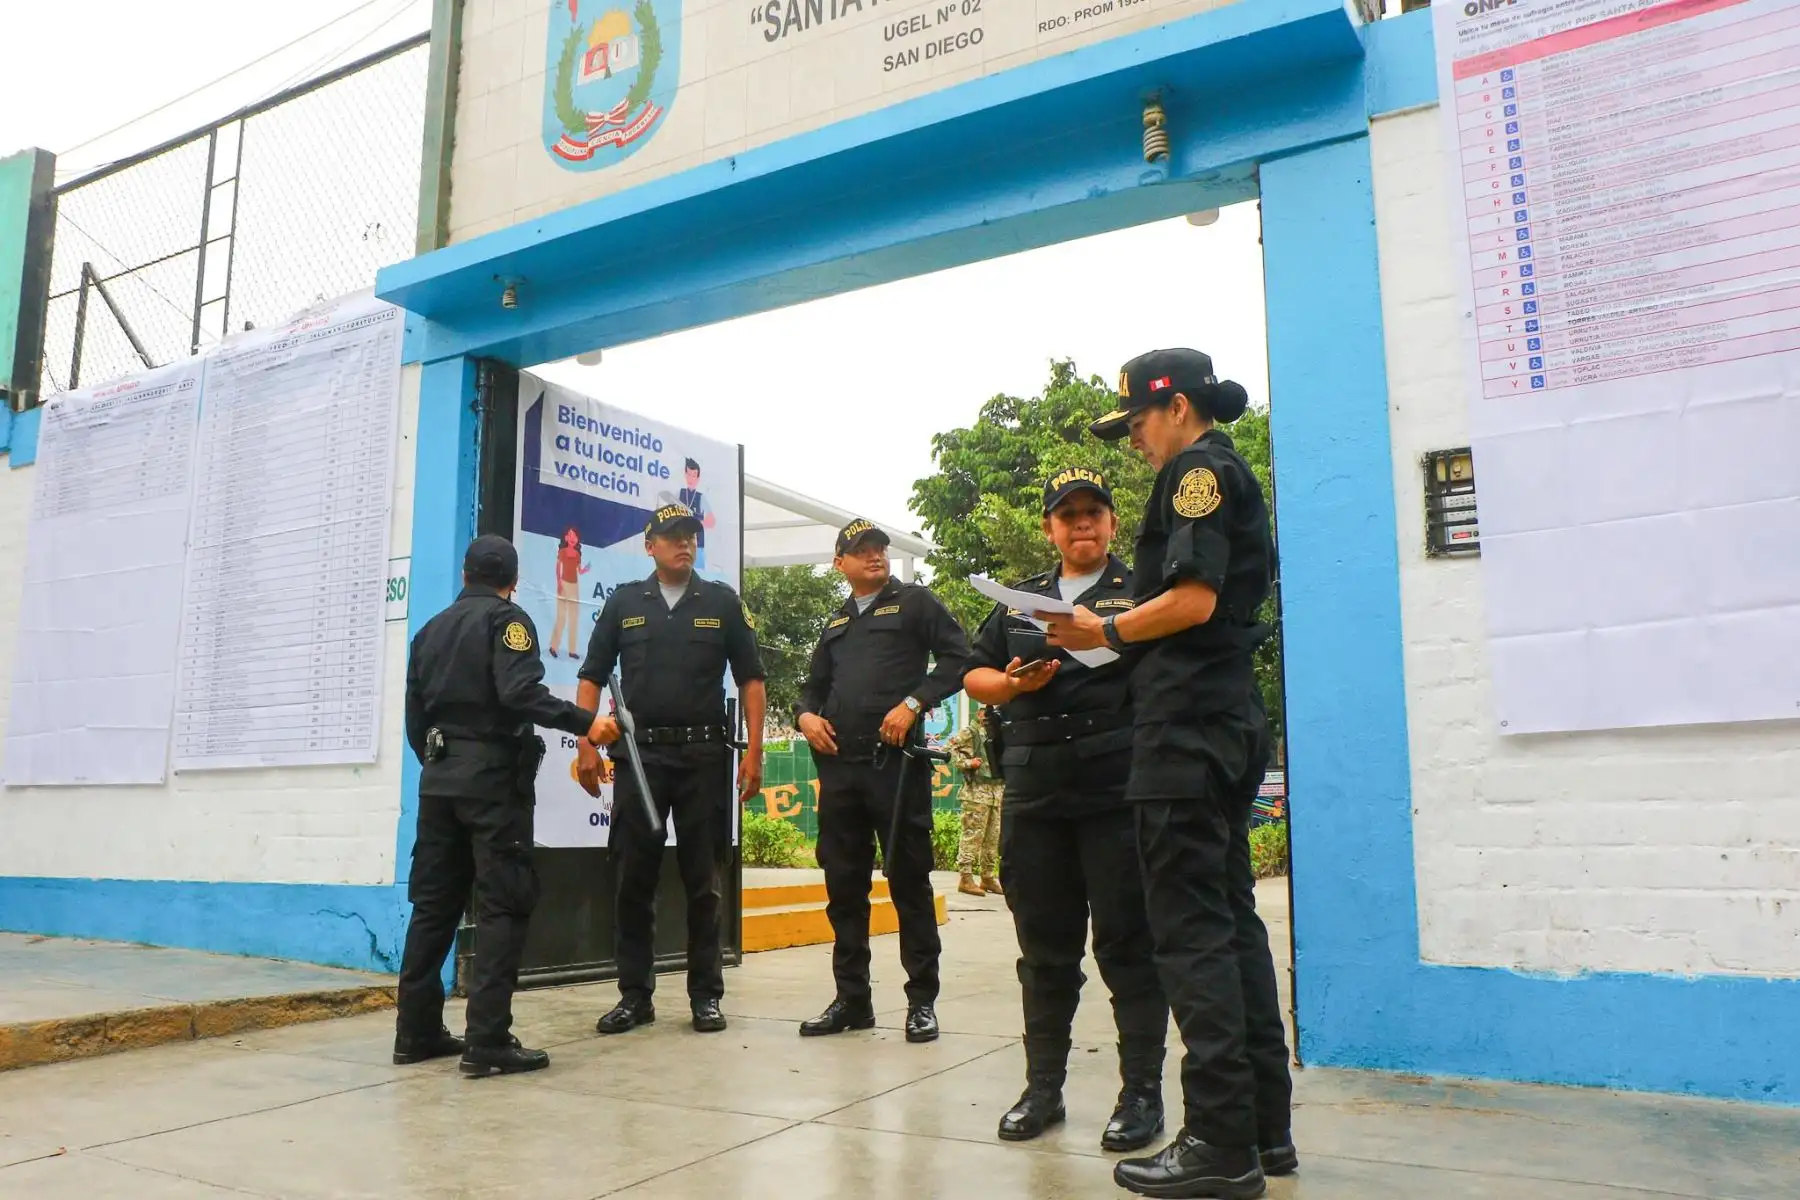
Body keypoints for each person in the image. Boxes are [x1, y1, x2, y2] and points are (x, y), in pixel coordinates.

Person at [1041, 350, 1295, 1199]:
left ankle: (1218, 1143)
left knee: (1189, 935)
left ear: (1177, 407)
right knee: (1230, 924)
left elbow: (1193, 601)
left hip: (1185, 730)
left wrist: (1103, 633)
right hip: (1221, 721)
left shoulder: (1195, 473)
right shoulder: (1223, 471)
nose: (1135, 441)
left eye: (1138, 422)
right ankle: (1262, 1129)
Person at [962, 466, 1169, 1153]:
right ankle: (1042, 1089)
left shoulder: (1140, 592)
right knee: (1044, 952)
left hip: (1115, 791)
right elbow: (975, 675)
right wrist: (1010, 685)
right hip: (1036, 793)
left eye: (1093, 513)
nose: (1082, 523)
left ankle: (1141, 1095)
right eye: (1068, 514)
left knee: (1127, 947)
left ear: (1112, 523)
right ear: (1049, 527)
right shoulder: (1021, 602)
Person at [395, 533, 612, 1078]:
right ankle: (487, 1039)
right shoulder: (508, 622)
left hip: (439, 782)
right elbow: (519, 694)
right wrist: (587, 723)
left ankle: (415, 1032)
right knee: (501, 904)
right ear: (512, 582)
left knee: (433, 907)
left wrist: (442, 764)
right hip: (492, 784)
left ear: (465, 574)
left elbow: (415, 719)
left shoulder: (429, 631)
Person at [575, 502, 766, 1035]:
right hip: (640, 760)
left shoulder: (722, 602)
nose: (685, 543)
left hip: (703, 759)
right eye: (673, 536)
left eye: (691, 535)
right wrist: (586, 741)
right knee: (633, 881)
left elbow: (751, 679)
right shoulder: (623, 603)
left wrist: (754, 751)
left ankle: (706, 996)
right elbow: (591, 676)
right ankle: (635, 996)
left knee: (703, 882)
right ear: (649, 545)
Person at [793, 518, 972, 1043]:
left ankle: (921, 1002)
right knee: (843, 887)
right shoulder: (836, 622)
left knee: (909, 883)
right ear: (839, 563)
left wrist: (914, 702)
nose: (874, 555)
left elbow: (960, 657)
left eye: (879, 548)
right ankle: (852, 1000)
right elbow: (811, 688)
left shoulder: (915, 602)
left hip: (895, 766)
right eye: (861, 550)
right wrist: (805, 717)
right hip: (840, 769)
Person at [945, 703, 1003, 897]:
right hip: (976, 793)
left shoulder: (997, 732)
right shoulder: (970, 732)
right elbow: (947, 750)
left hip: (996, 792)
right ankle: (966, 878)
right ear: (979, 713)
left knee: (993, 838)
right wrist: (968, 762)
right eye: (986, 712)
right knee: (972, 835)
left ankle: (987, 877)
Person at [548, 525, 589, 658]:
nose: (572, 538)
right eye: (570, 535)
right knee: (561, 617)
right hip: (564, 583)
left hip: (574, 586)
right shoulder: (562, 552)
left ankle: (572, 651)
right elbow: (558, 568)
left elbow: (579, 571)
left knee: (573, 618)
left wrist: (586, 569)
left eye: (574, 536)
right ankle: (553, 647)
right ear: (565, 538)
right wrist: (559, 583)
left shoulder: (577, 554)